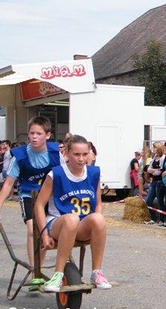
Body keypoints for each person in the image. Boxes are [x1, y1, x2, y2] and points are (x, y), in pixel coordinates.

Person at [34, 135, 111, 292]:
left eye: (85, 154)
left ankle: (97, 272)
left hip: (80, 225)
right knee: (71, 219)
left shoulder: (94, 173)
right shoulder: (55, 174)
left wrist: (96, 225)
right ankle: (58, 274)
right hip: (57, 223)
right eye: (76, 154)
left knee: (99, 218)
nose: (81, 159)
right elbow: (39, 205)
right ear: (67, 153)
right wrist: (44, 235)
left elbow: (98, 203)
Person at [0, 117, 62, 276]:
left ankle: (39, 268)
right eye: (32, 133)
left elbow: (64, 178)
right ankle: (35, 269)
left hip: (49, 196)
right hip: (28, 195)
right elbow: (8, 185)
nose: (34, 136)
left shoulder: (56, 154)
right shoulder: (19, 157)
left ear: (47, 135)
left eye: (39, 133)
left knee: (45, 230)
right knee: (31, 229)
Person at [145, 141, 166, 224]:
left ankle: (162, 219)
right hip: (154, 182)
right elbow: (148, 169)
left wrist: (153, 171)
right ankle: (153, 218)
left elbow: (159, 171)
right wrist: (154, 170)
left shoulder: (163, 158)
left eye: (155, 147)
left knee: (160, 202)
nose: (153, 149)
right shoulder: (155, 157)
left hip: (160, 182)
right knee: (148, 201)